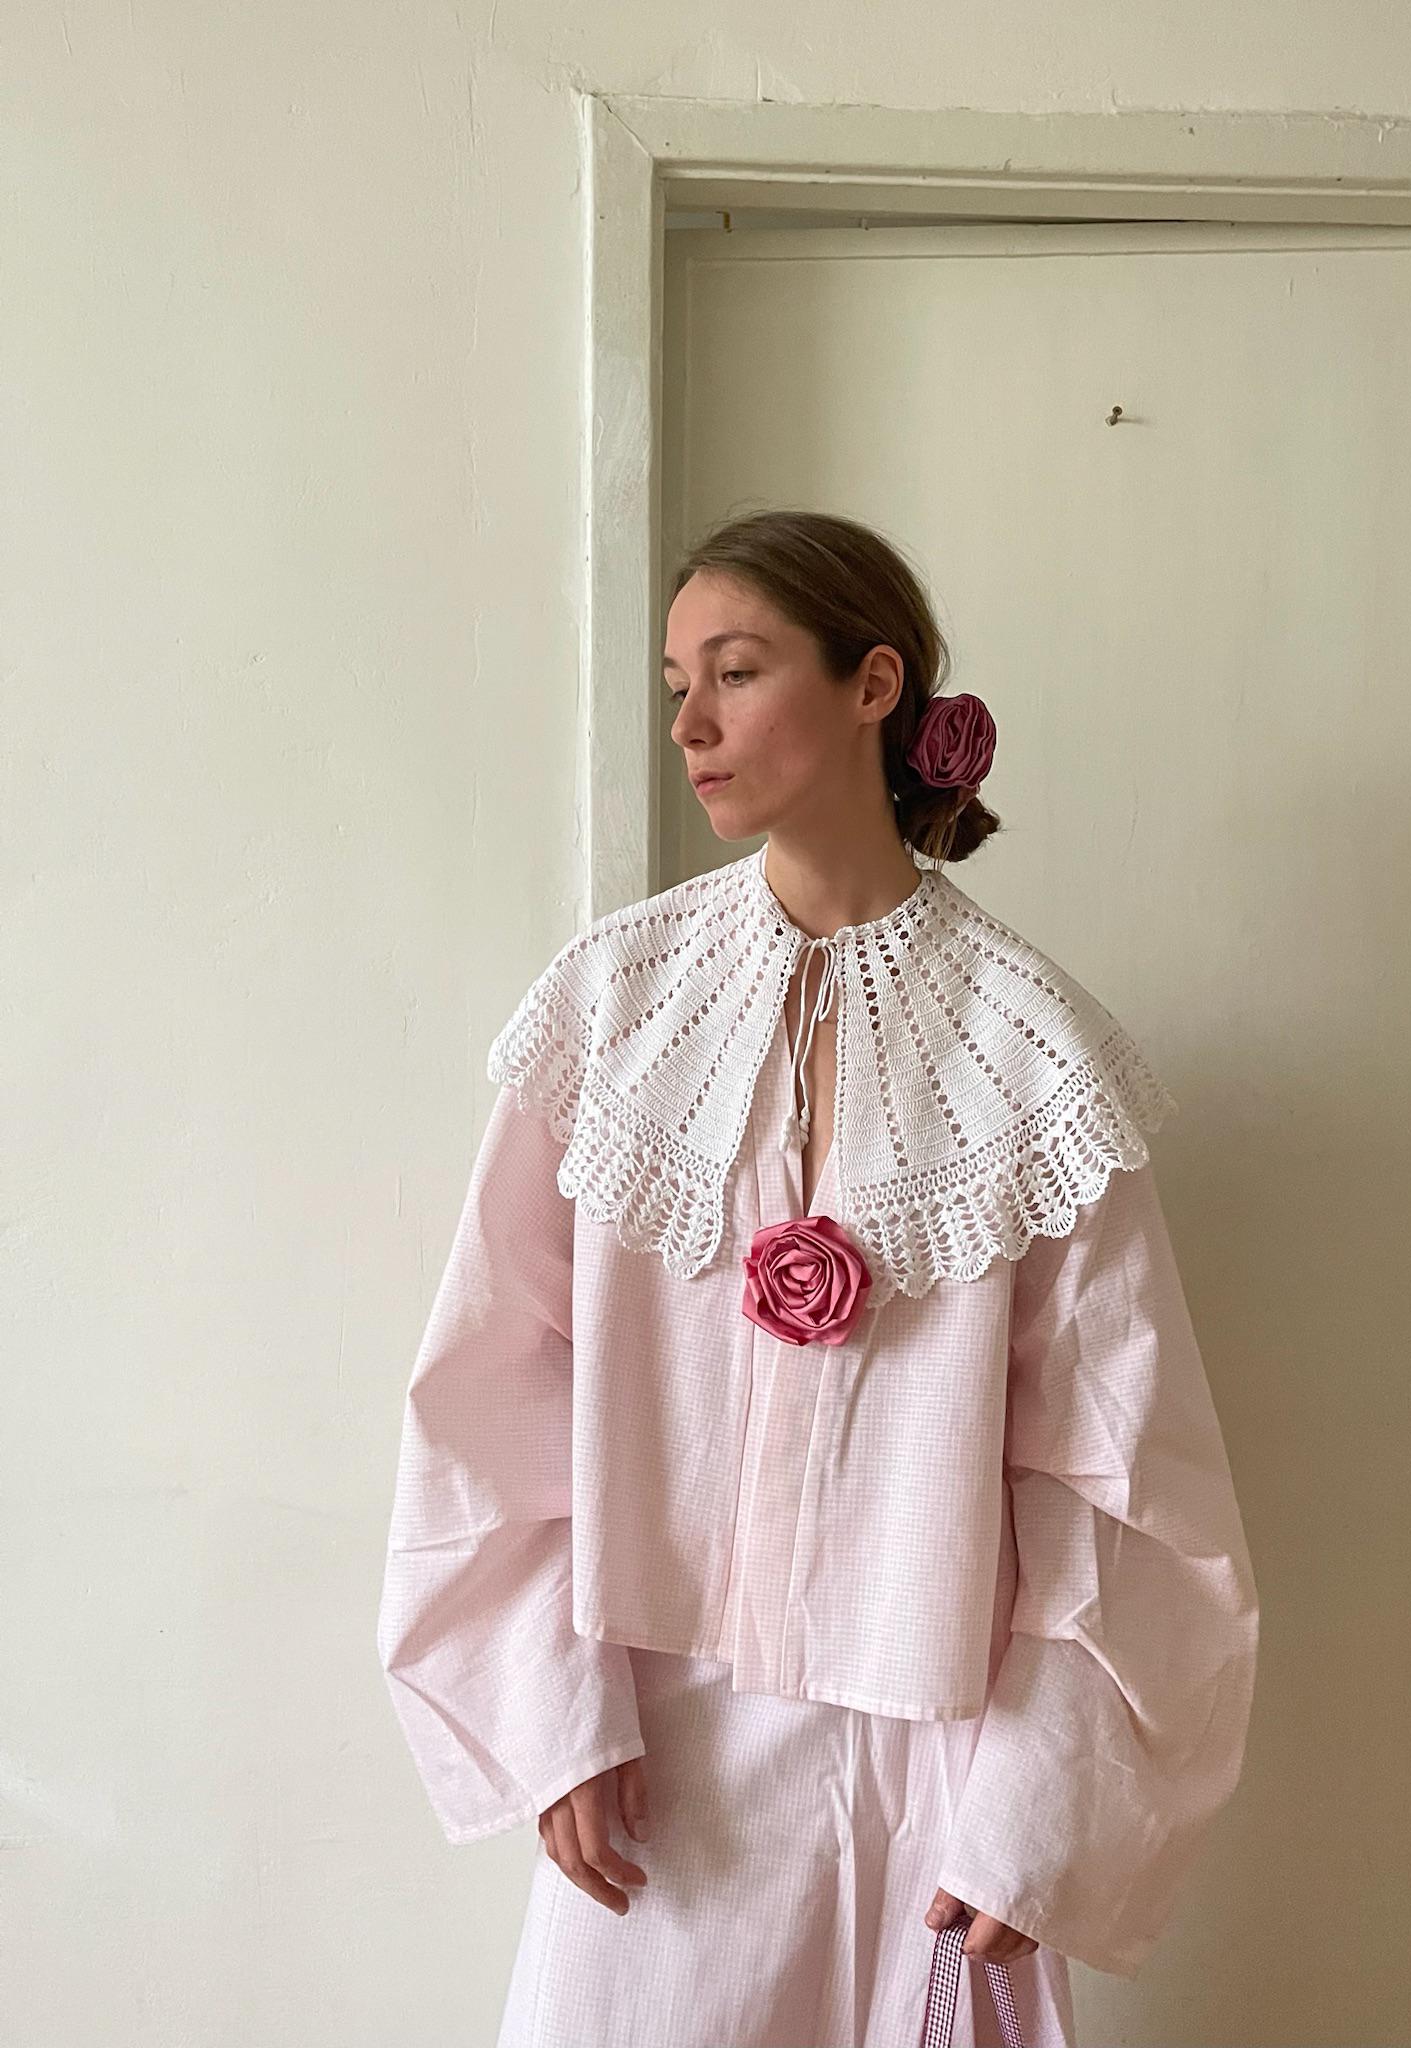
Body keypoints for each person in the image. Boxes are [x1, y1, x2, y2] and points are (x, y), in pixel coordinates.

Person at [375, 509, 1259, 2047]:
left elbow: (1118, 1462)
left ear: (872, 684)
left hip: (940, 1757)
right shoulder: (612, 1002)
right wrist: (554, 1717)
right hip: (655, 1750)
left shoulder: (1030, 1046)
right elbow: (494, 1376)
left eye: (734, 672)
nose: (689, 727)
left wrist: (1038, 1809)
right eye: (676, 686)